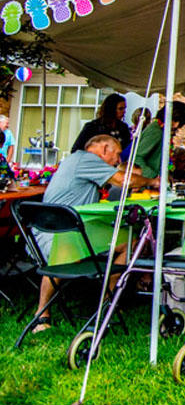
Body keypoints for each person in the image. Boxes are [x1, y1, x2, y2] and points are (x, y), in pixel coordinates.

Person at [30, 134, 159, 331]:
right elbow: (122, 180)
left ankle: (107, 302)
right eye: (116, 155)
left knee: (132, 242)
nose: (118, 161)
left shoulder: (76, 161)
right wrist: (152, 181)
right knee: (66, 250)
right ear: (104, 149)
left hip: (69, 229)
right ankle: (42, 314)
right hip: (57, 233)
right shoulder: (86, 159)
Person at [133, 102, 185, 181]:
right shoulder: (156, 131)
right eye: (175, 121)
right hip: (147, 184)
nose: (177, 126)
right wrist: (154, 177)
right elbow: (137, 157)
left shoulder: (161, 130)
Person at [70, 93, 132, 158]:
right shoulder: (93, 127)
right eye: (120, 109)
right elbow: (76, 150)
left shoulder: (123, 127)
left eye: (124, 108)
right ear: (111, 109)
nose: (124, 111)